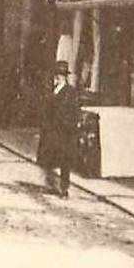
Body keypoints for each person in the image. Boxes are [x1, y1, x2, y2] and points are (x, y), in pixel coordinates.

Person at [43, 59, 81, 197]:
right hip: (54, 130)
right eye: (56, 74)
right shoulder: (53, 90)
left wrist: (68, 125)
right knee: (52, 158)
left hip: (65, 132)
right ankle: (53, 184)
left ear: (65, 77)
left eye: (60, 75)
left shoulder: (71, 92)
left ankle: (64, 188)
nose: (57, 77)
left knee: (65, 161)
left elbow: (75, 111)